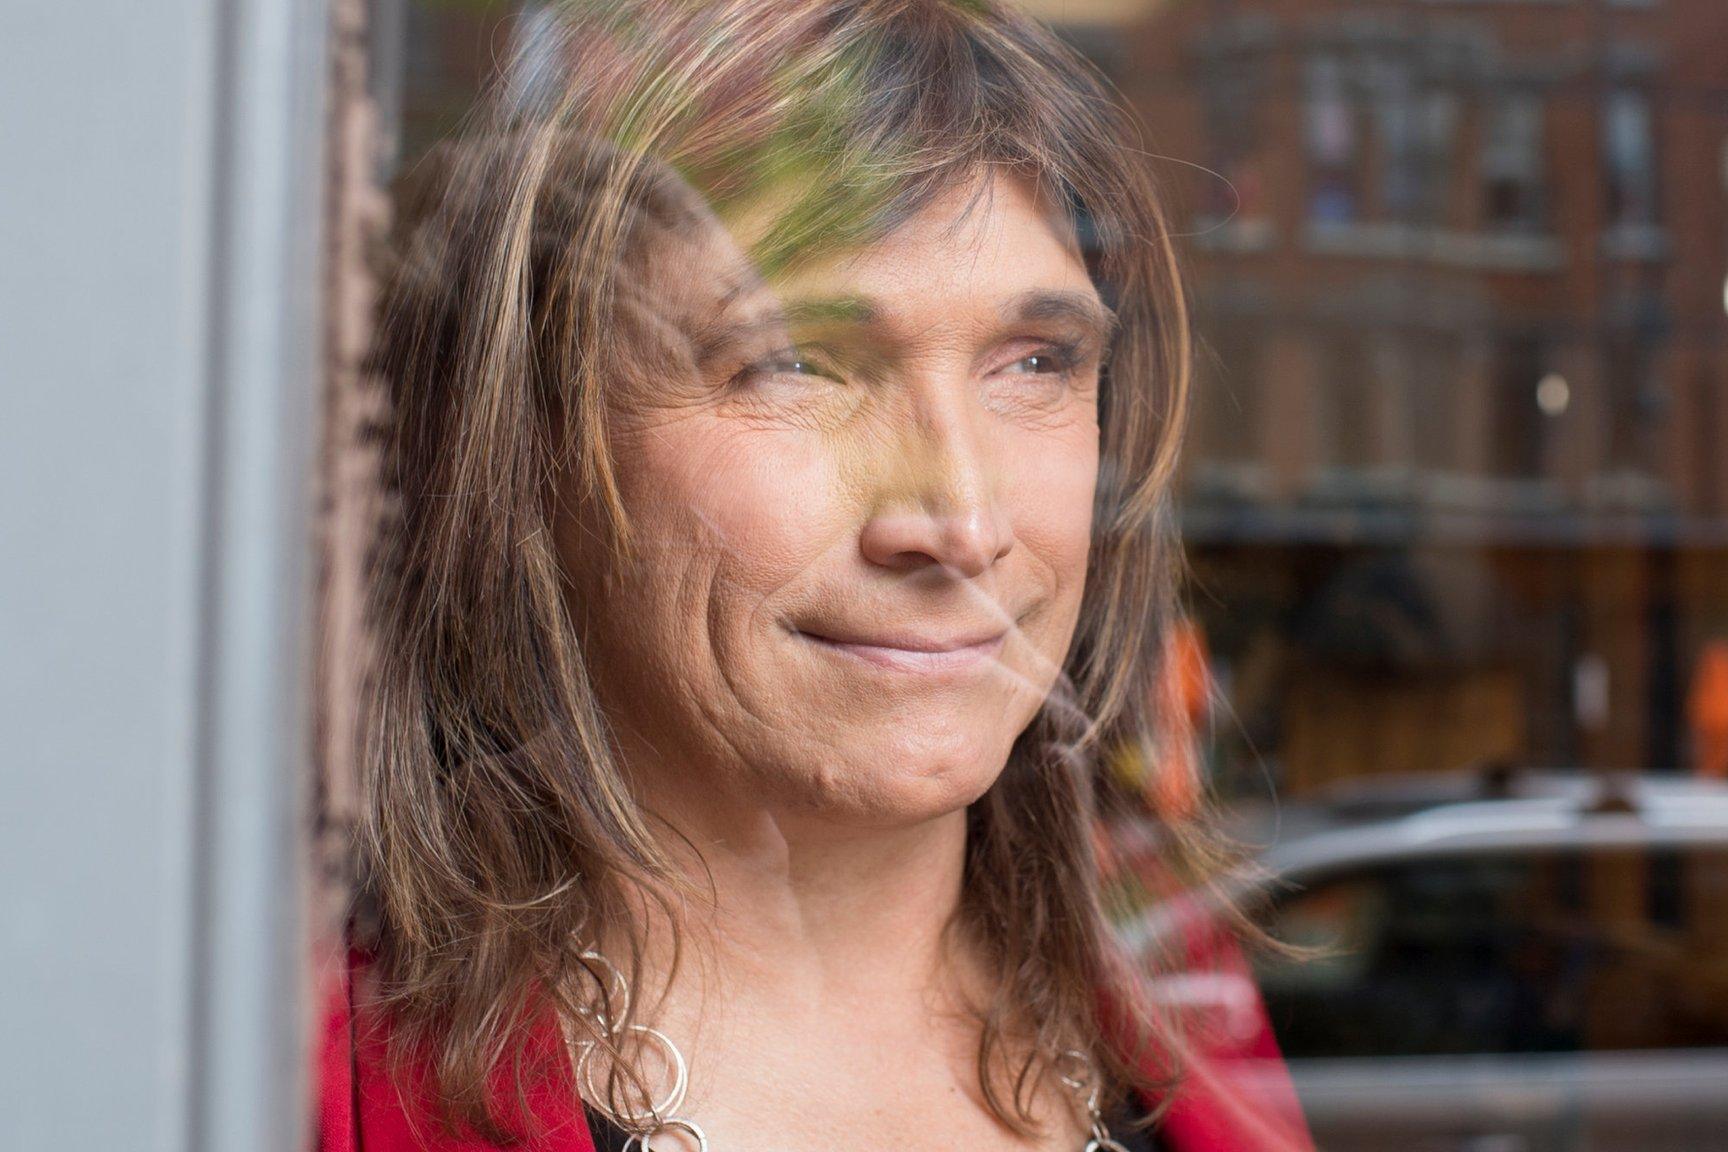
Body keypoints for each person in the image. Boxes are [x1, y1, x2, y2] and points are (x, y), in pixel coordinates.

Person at [319, 1, 1313, 1149]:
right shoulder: (277, 1062)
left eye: (1035, 363)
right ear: (527, 441)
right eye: (796, 360)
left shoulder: (1176, 1008)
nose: (960, 517)